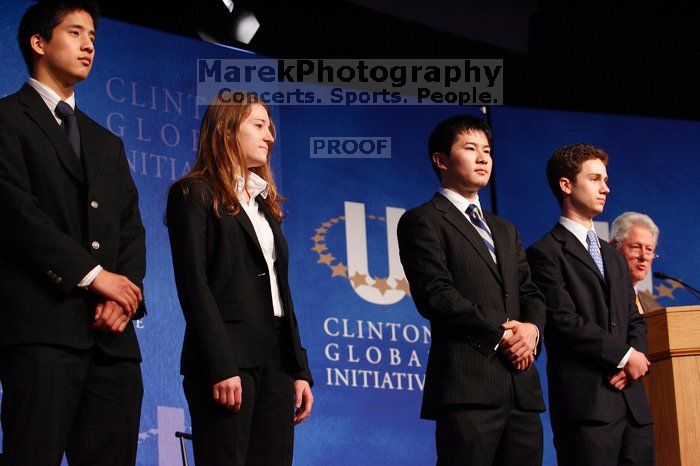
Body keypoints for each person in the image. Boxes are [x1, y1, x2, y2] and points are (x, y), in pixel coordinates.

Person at [0, 1, 147, 465]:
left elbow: (131, 229)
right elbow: (15, 214)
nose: (88, 45)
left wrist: (124, 295)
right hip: (42, 331)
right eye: (75, 32)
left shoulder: (106, 141)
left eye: (93, 38)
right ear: (39, 43)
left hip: (113, 343)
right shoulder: (6, 120)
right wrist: (92, 275)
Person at [166, 92, 313, 466]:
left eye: (271, 128)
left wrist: (298, 369)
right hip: (227, 360)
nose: (271, 137)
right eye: (259, 126)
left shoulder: (266, 206)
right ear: (227, 130)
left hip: (277, 363)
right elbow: (193, 284)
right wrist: (220, 365)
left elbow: (281, 292)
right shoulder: (193, 193)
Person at [397, 115, 546, 466]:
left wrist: (531, 330)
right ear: (441, 160)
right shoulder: (424, 220)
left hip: (521, 388)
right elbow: (436, 294)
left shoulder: (505, 229)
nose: (483, 158)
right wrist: (503, 333)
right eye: (470, 149)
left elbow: (531, 293)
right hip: (469, 386)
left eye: (487, 151)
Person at [526, 144, 654, 466]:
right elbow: (563, 321)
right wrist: (624, 356)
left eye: (606, 180)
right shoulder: (545, 253)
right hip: (588, 408)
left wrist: (636, 357)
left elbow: (634, 319)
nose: (606, 188)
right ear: (566, 185)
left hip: (633, 407)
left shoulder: (612, 254)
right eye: (595, 179)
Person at [611, 212, 662, 313]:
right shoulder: (600, 297)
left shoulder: (655, 308)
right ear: (614, 248)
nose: (643, 257)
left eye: (649, 249)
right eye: (636, 247)